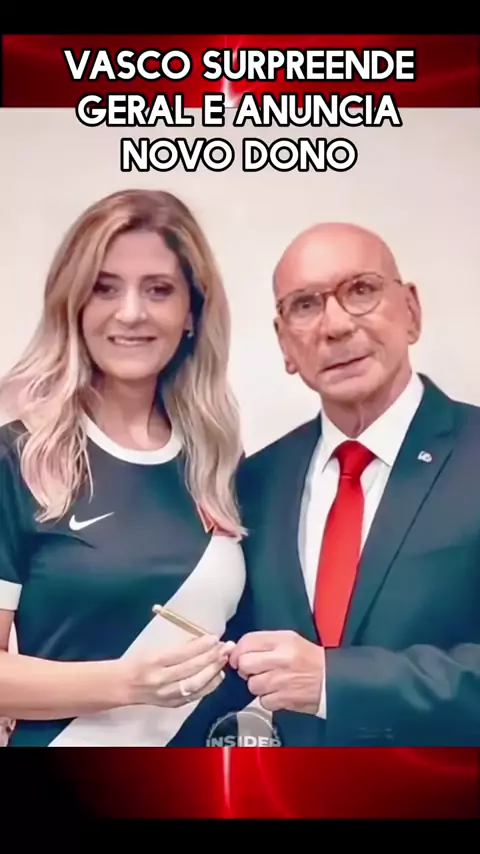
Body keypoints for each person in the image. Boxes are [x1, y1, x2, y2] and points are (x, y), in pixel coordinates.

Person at [0, 188, 248, 747]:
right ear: (74, 305)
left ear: (192, 313)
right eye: (104, 288)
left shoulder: (218, 462)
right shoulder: (17, 458)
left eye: (158, 290)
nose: (131, 313)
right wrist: (126, 683)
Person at [230, 222, 480, 747]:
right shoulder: (255, 483)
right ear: (285, 343)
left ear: (411, 311)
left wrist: (334, 682)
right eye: (305, 305)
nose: (336, 325)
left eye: (361, 290)